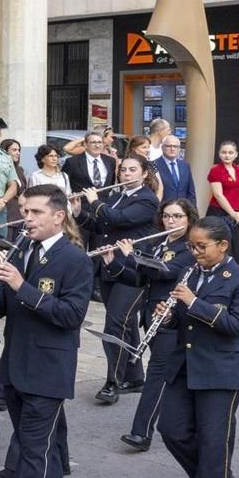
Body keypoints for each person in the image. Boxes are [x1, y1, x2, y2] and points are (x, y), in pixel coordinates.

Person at [0, 184, 92, 478]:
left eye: (35, 212)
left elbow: (70, 316)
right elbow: (5, 307)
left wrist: (20, 285)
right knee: (41, 449)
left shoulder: (75, 260)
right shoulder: (22, 249)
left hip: (48, 371)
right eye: (25, 211)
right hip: (15, 365)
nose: (26, 219)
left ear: (58, 216)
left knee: (32, 453)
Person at [155, 217, 239, 478]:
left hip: (221, 370)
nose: (195, 252)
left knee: (214, 442)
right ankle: (217, 477)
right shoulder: (190, 273)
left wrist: (194, 302)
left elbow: (237, 325)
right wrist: (169, 317)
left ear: (223, 245)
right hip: (185, 365)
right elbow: (183, 321)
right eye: (191, 246)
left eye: (201, 246)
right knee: (171, 429)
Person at [105, 197, 198, 452]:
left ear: (189, 219)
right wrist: (113, 263)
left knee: (158, 374)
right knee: (177, 375)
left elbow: (165, 271)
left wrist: (132, 255)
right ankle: (195, 424)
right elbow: (139, 280)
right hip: (152, 316)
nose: (171, 221)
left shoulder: (190, 248)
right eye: (167, 216)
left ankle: (141, 432)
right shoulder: (158, 244)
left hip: (173, 318)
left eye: (177, 216)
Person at [82, 156, 162, 404]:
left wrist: (95, 202)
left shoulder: (147, 199)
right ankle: (135, 377)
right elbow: (101, 226)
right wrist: (78, 212)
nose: (126, 174)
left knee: (115, 324)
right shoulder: (116, 196)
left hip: (133, 269)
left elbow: (119, 219)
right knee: (126, 322)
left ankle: (112, 382)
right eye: (123, 170)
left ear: (144, 174)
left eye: (132, 170)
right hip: (109, 265)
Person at [206, 141, 239, 252]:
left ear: (236, 154)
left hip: (237, 214)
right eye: (224, 152)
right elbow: (218, 195)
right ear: (219, 154)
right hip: (219, 212)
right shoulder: (216, 170)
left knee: (235, 244)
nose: (227, 155)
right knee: (220, 244)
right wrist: (233, 213)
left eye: (230, 153)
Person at [63, 131, 118, 201]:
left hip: (104, 204)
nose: (97, 145)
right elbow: (64, 184)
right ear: (86, 145)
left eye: (100, 142)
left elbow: (111, 183)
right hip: (81, 205)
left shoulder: (110, 161)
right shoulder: (72, 162)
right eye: (93, 142)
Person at [154, 136, 195, 205]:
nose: (172, 149)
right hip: (163, 208)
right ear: (162, 148)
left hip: (182, 208)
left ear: (179, 149)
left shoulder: (185, 165)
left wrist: (193, 209)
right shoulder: (153, 165)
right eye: (168, 146)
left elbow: (191, 191)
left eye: (175, 146)